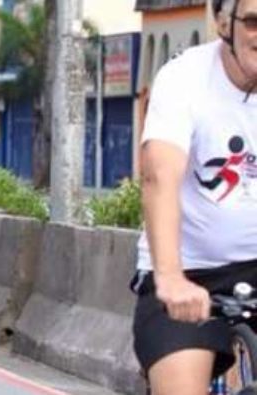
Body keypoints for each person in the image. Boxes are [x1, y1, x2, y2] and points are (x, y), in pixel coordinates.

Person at [132, 1, 257, 394]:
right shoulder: (184, 77)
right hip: (188, 271)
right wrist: (170, 277)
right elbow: (159, 176)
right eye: (254, 21)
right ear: (223, 23)